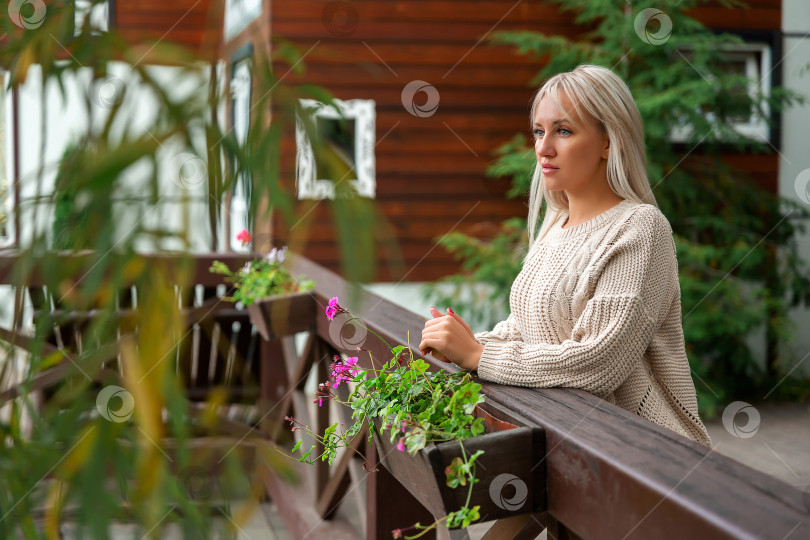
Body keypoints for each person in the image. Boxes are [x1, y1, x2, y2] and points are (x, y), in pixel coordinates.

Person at [419, 65, 712, 448]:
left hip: (646, 451)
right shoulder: (555, 224)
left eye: (564, 131)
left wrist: (477, 355)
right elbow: (527, 327)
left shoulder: (640, 229)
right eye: (539, 132)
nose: (543, 148)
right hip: (573, 440)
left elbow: (598, 363)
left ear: (609, 141)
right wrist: (461, 347)